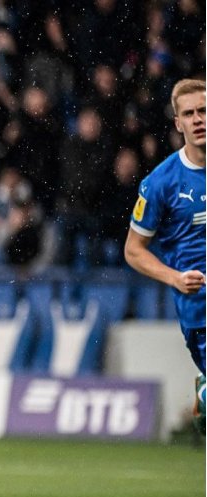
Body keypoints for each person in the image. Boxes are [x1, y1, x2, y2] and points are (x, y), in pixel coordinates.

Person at [124, 78, 206, 432]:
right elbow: (133, 250)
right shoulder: (161, 183)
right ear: (178, 123)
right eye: (189, 114)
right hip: (200, 305)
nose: (198, 119)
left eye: (203, 111)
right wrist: (175, 278)